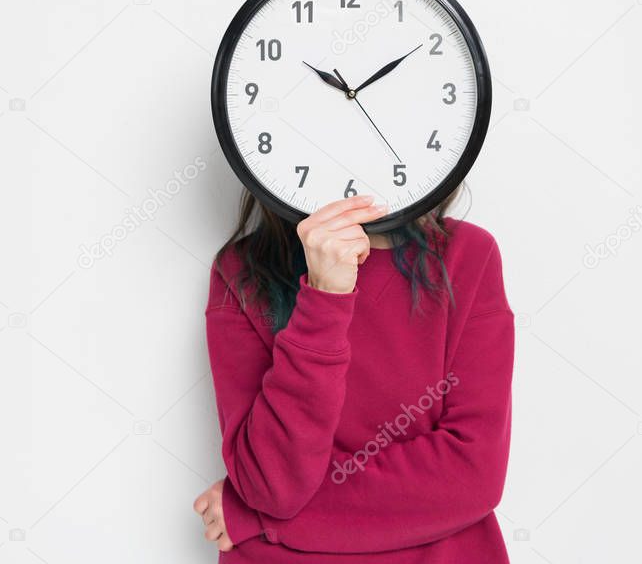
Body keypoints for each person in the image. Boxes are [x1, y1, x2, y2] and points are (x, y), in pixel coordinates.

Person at [193, 183, 514, 562]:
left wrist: (256, 516)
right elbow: (272, 484)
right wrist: (324, 298)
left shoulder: (467, 255)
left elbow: (470, 475)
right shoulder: (240, 275)